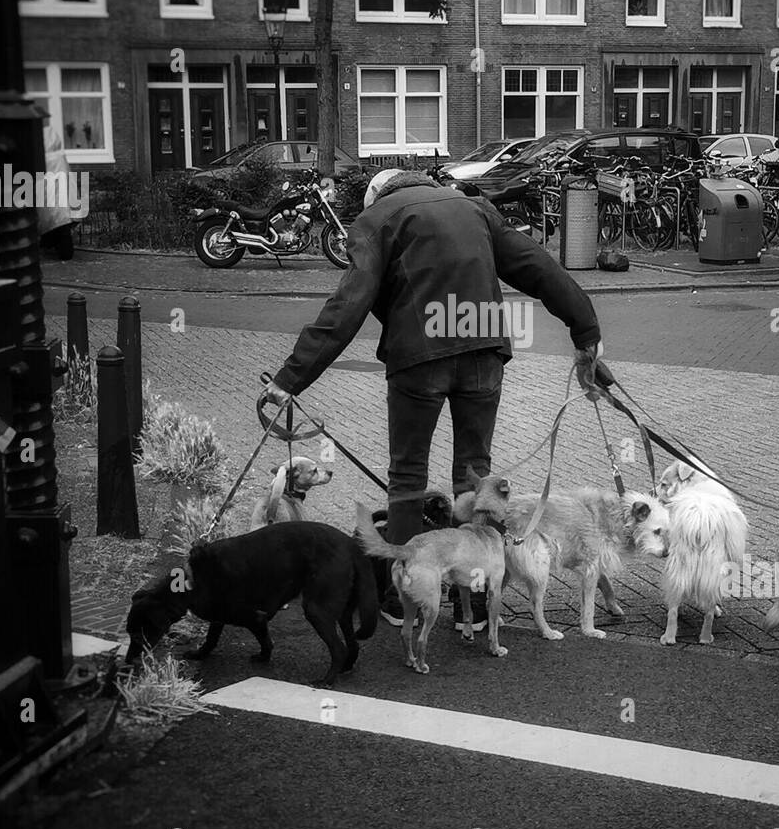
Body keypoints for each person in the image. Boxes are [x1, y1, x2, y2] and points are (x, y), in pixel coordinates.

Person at [258, 166, 607, 628]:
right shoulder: (473, 207)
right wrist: (585, 330)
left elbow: (348, 305)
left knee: (407, 478)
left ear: (378, 196)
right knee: (475, 476)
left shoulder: (378, 219)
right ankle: (477, 600)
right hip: (482, 346)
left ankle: (401, 598)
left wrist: (290, 379)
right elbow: (538, 268)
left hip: (418, 355)